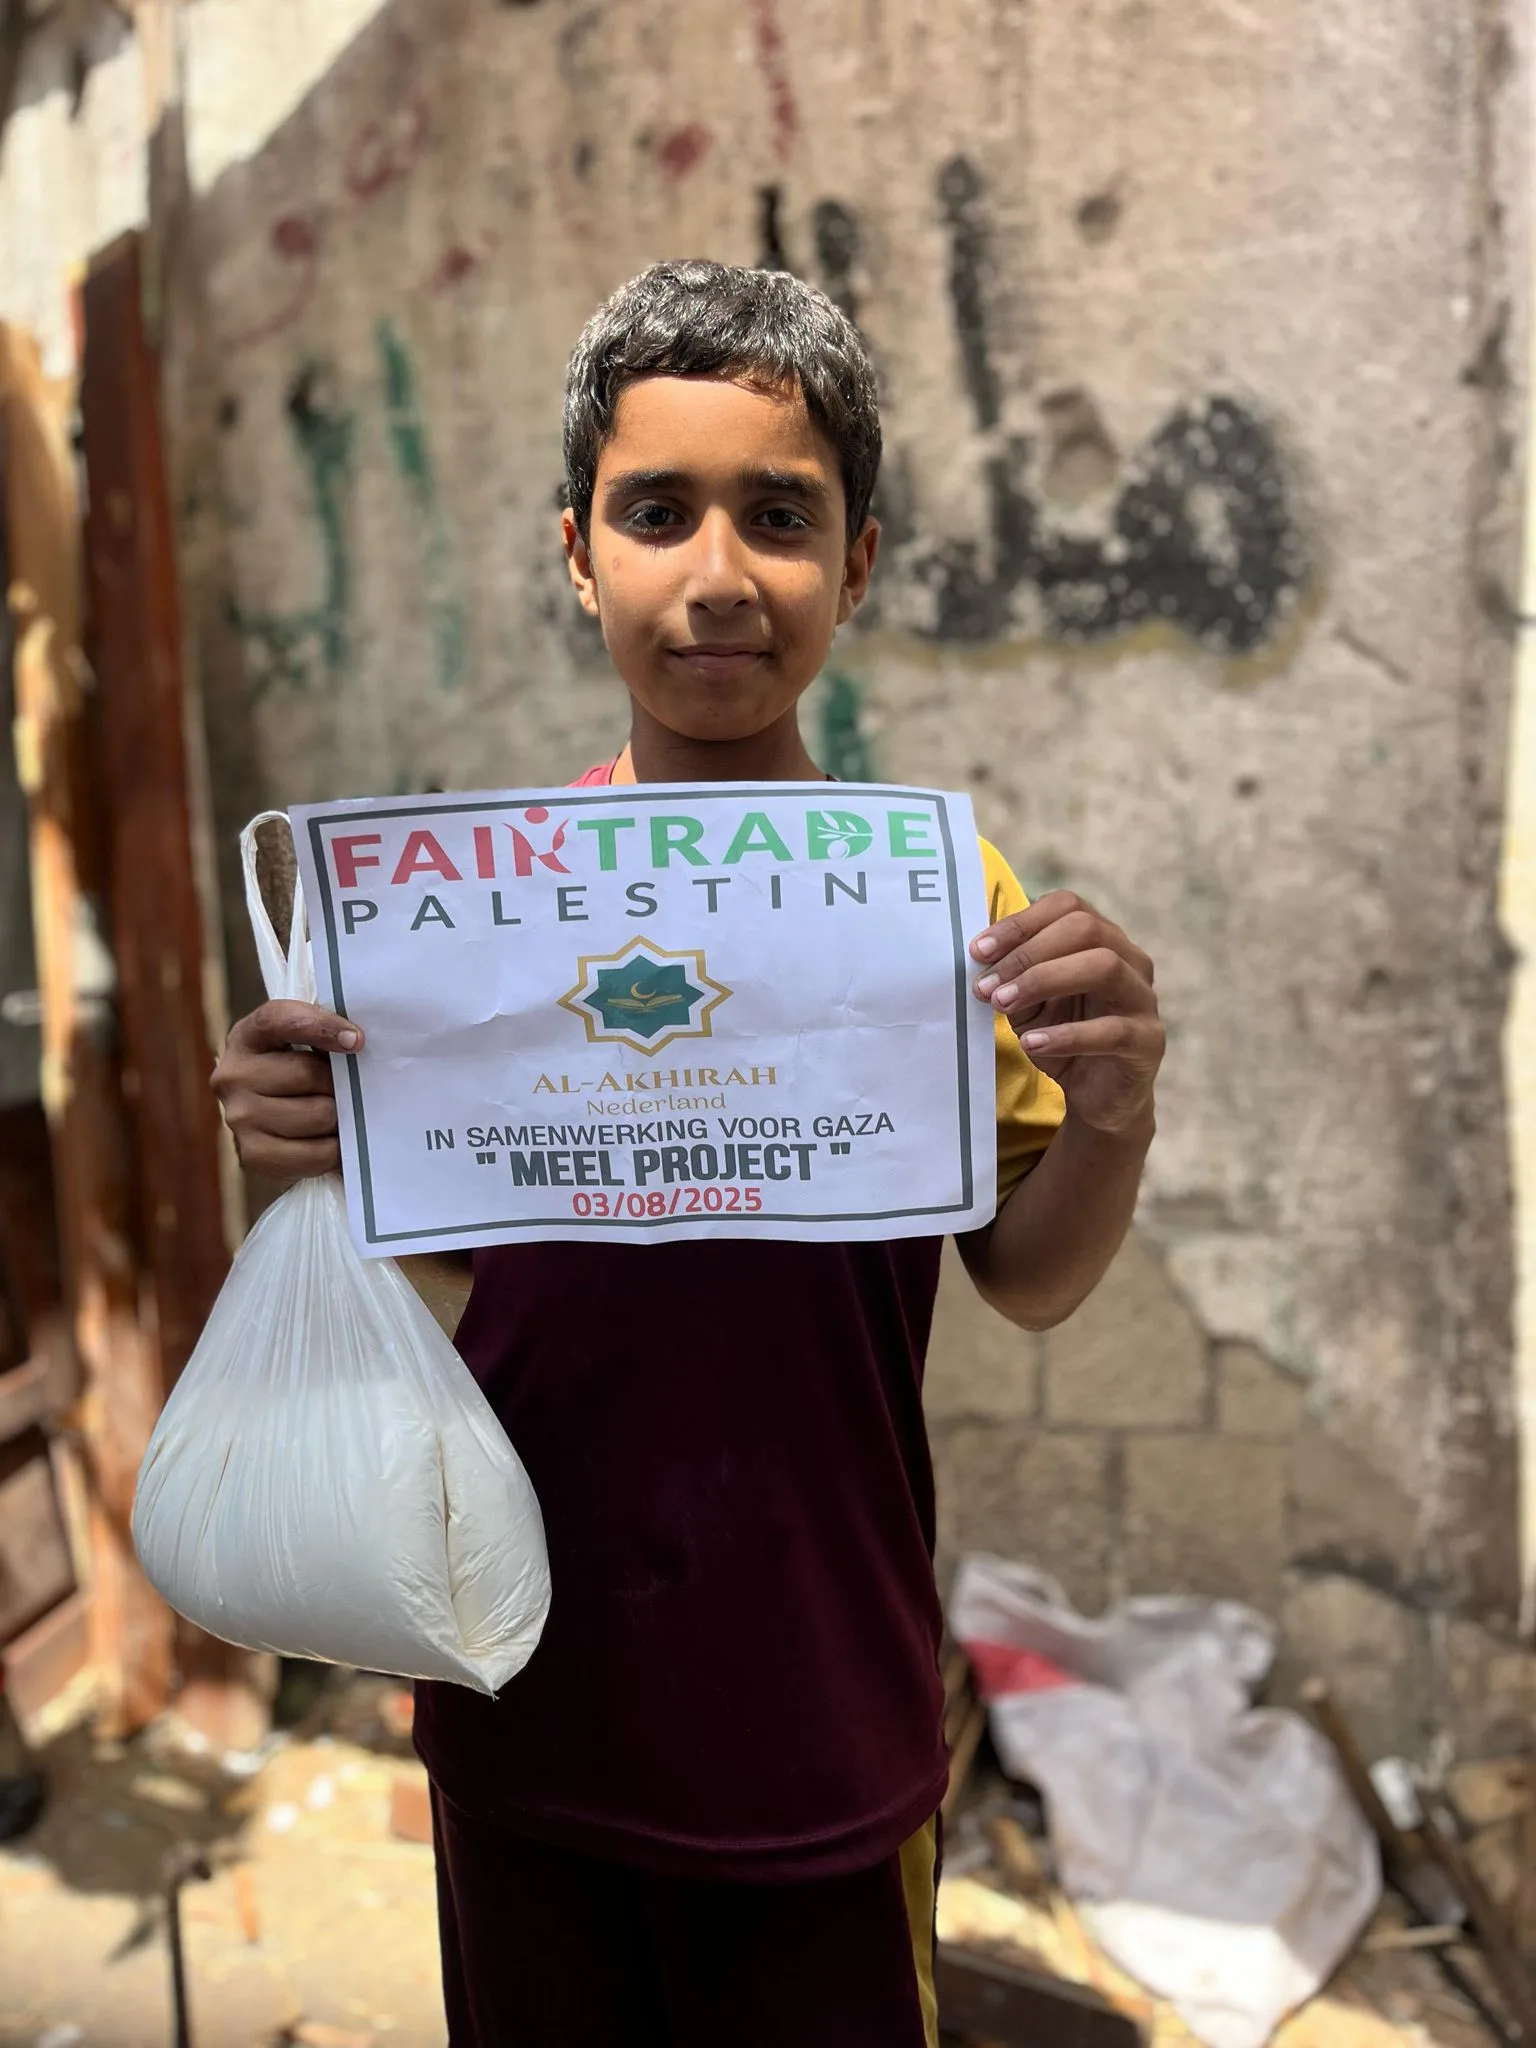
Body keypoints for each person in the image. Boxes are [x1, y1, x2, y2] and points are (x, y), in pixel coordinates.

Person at [212, 261, 1164, 2048]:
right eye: (657, 512)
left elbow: (1031, 1283)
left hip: (821, 1720)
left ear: (856, 565)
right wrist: (313, 1158)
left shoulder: (947, 906)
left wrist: (1114, 1113)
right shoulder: (454, 920)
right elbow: (468, 1276)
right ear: (579, 554)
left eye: (779, 517)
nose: (719, 574)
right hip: (521, 1695)